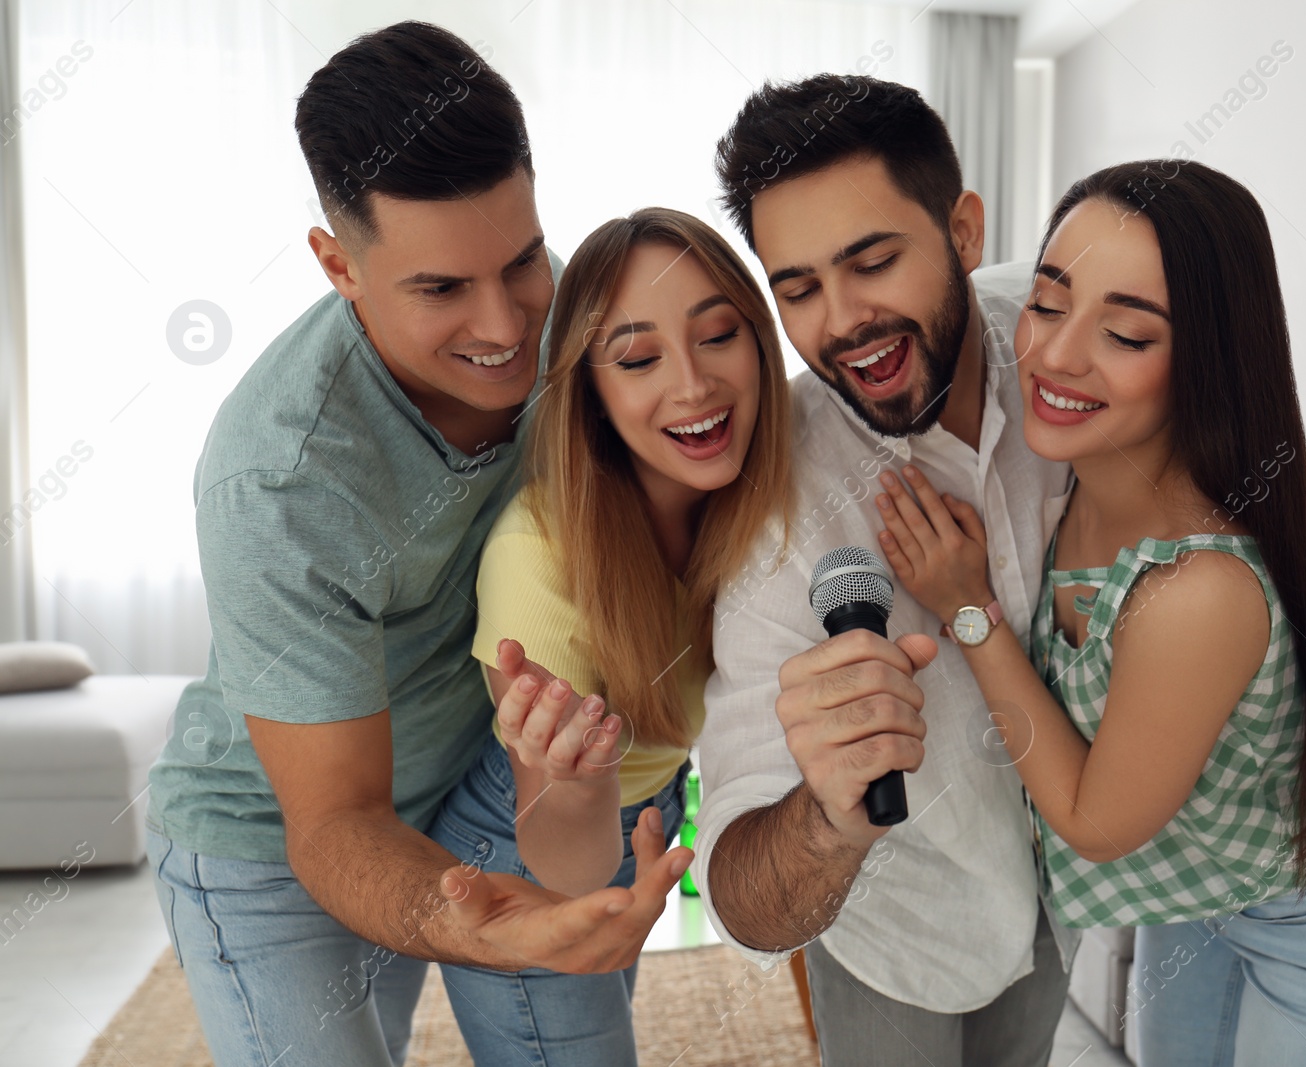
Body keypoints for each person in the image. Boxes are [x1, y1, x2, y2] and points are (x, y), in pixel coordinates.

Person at [142, 23, 689, 1067]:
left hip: (464, 777)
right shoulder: (280, 480)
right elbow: (336, 816)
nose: (507, 323)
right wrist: (479, 922)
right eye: (441, 289)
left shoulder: (562, 313)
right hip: (273, 835)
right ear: (338, 264)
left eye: (522, 259)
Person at [873, 159, 1306, 1066]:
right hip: (1203, 892)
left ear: (1207, 360)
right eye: (1050, 303)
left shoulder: (1200, 591)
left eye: (1127, 335)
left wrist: (968, 608)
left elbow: (1094, 819)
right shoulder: (1068, 476)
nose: (1056, 356)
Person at [689, 74, 1075, 1066]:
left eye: (872, 261)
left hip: (1073, 903)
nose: (845, 320)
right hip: (899, 934)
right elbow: (743, 898)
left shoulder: (1069, 364)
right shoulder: (775, 504)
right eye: (799, 287)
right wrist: (824, 815)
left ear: (963, 230)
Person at [425, 207, 792, 1065]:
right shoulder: (538, 559)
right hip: (528, 841)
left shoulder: (749, 498)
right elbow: (566, 862)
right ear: (589, 390)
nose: (695, 385)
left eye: (718, 336)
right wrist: (578, 782)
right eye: (636, 358)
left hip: (646, 810)